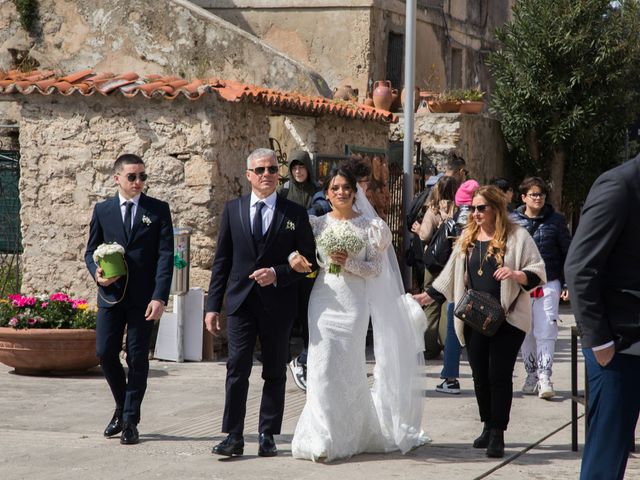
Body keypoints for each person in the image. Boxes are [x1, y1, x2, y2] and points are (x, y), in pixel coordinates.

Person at [291, 166, 429, 462]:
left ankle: (350, 432)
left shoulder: (371, 226)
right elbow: (294, 250)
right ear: (326, 194)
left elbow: (375, 269)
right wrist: (297, 258)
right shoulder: (316, 224)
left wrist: (348, 262)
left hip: (354, 303)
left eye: (346, 188)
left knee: (348, 367)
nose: (340, 192)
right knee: (321, 367)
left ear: (354, 192)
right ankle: (322, 435)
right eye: (335, 188)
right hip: (323, 299)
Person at [414, 185, 545, 458]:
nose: (475, 214)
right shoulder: (467, 238)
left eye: (480, 208)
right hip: (475, 316)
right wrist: (427, 297)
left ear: (496, 208)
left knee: (498, 374)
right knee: (479, 375)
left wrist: (515, 274)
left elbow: (537, 271)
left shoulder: (517, 237)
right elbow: (450, 274)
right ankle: (487, 425)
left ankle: (498, 432)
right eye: (471, 208)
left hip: (507, 318)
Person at [204, 148, 316, 458]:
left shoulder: (294, 213)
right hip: (240, 303)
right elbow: (221, 262)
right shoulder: (233, 209)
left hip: (278, 305)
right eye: (260, 170)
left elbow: (310, 263)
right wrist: (213, 306)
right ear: (249, 175)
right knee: (236, 368)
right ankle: (234, 435)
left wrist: (278, 273)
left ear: (278, 174)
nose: (267, 174)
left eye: (272, 169)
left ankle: (268, 433)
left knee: (274, 371)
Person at [84, 153, 174, 445]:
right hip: (110, 296)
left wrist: (160, 297)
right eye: (133, 177)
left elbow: (164, 257)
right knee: (104, 352)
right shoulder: (103, 210)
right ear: (117, 178)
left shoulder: (158, 210)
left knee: (136, 358)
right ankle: (122, 407)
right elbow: (90, 251)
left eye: (143, 177)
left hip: (143, 298)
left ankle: (131, 420)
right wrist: (97, 273)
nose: (138, 182)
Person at [564, 157, 640, 480]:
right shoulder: (620, 185)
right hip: (619, 348)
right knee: (605, 463)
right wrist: (601, 342)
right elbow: (580, 267)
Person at [511, 177, 571, 399]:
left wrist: (566, 283)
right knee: (525, 329)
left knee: (546, 329)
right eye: (534, 194)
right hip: (522, 284)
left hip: (549, 282)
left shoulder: (556, 221)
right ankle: (531, 375)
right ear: (524, 197)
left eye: (542, 194)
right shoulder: (513, 221)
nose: (538, 198)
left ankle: (545, 376)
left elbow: (567, 252)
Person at [278, 150, 321, 392]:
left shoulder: (316, 192)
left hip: (308, 258)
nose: (298, 171)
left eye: (301, 167)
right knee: (287, 309)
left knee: (307, 309)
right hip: (287, 257)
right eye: (294, 168)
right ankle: (284, 354)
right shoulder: (284, 191)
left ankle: (306, 355)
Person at [435, 179, 479, 395]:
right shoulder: (482, 220)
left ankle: (450, 378)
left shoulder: (460, 217)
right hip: (476, 283)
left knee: (454, 329)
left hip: (461, 285)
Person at [414, 175, 458, 359]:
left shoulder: (433, 208)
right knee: (449, 302)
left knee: (430, 302)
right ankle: (449, 345)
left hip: (433, 264)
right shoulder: (459, 209)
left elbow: (425, 235)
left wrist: (417, 229)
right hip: (452, 262)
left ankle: (430, 346)